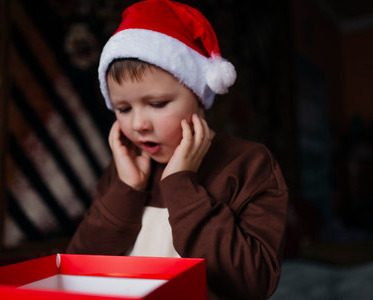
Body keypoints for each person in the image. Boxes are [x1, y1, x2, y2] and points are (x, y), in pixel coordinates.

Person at [66, 0, 288, 299]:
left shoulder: (249, 164)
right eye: (123, 108)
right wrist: (126, 189)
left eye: (157, 104)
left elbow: (252, 283)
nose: (139, 124)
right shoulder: (125, 172)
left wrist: (182, 184)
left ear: (198, 95)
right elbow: (77, 270)